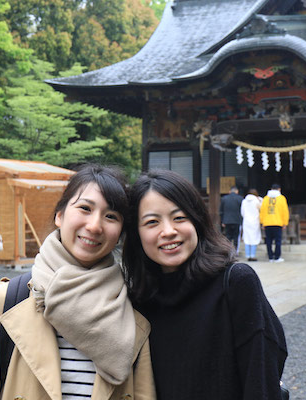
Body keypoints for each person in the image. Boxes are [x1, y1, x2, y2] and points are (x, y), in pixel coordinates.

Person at [0, 164, 155, 400]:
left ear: (120, 232)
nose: (95, 226)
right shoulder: (6, 301)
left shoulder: (132, 311)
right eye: (85, 208)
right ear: (59, 215)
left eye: (111, 216)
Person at [123, 169, 287, 400]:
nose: (169, 231)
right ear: (136, 233)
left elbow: (261, 380)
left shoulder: (236, 284)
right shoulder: (138, 298)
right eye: (152, 222)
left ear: (197, 220)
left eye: (179, 218)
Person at [260, 184, 289, 263]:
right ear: (279, 189)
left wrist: (262, 222)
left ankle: (270, 257)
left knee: (268, 241)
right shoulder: (281, 198)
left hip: (267, 222)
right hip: (278, 222)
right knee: (278, 241)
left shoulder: (266, 198)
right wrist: (285, 222)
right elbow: (285, 211)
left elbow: (262, 211)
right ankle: (277, 257)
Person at [240, 188, 262, 262]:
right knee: (254, 238)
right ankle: (253, 255)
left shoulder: (244, 201)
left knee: (247, 238)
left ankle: (248, 255)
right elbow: (261, 208)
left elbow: (242, 212)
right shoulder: (256, 201)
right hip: (255, 221)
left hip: (246, 221)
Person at [219, 186, 243, 250]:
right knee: (236, 237)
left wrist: (222, 221)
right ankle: (235, 251)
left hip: (227, 220)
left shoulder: (224, 198)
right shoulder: (240, 198)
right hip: (237, 220)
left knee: (228, 237)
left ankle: (228, 251)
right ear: (237, 191)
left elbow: (221, 211)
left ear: (229, 191)